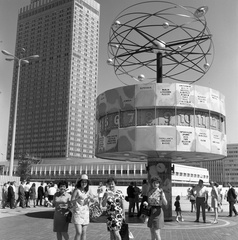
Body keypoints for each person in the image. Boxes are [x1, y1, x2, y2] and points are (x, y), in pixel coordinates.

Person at [70, 174, 97, 240]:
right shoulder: (76, 190)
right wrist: (77, 198)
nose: (84, 183)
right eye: (82, 182)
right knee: (79, 232)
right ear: (80, 182)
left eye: (85, 182)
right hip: (78, 212)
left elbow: (94, 200)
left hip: (85, 212)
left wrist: (91, 198)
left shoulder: (88, 190)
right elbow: (71, 201)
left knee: (84, 232)